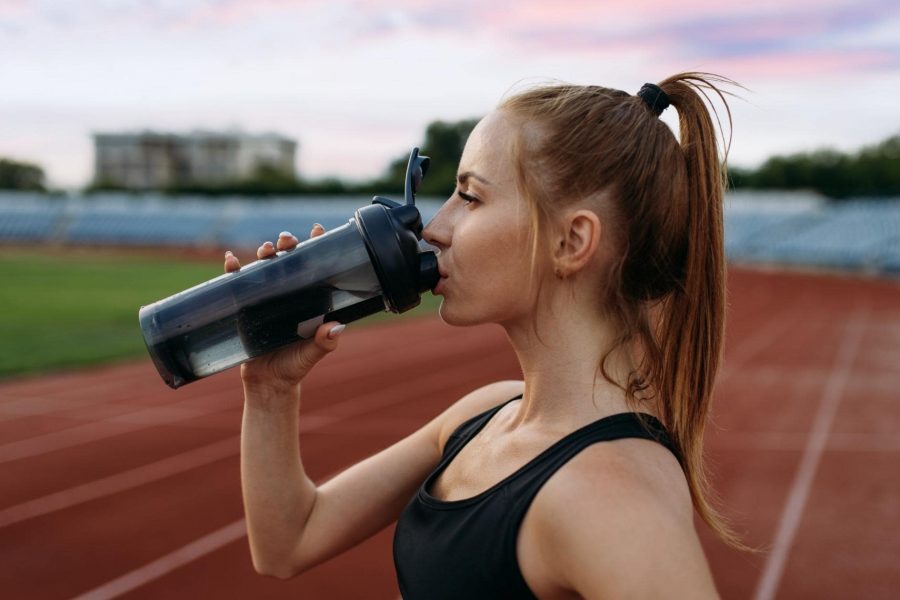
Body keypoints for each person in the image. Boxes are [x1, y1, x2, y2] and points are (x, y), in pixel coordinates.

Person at [224, 72, 740, 598]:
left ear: (571, 241)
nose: (433, 228)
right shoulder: (484, 415)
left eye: (469, 197)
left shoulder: (609, 495)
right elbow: (289, 541)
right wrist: (270, 389)